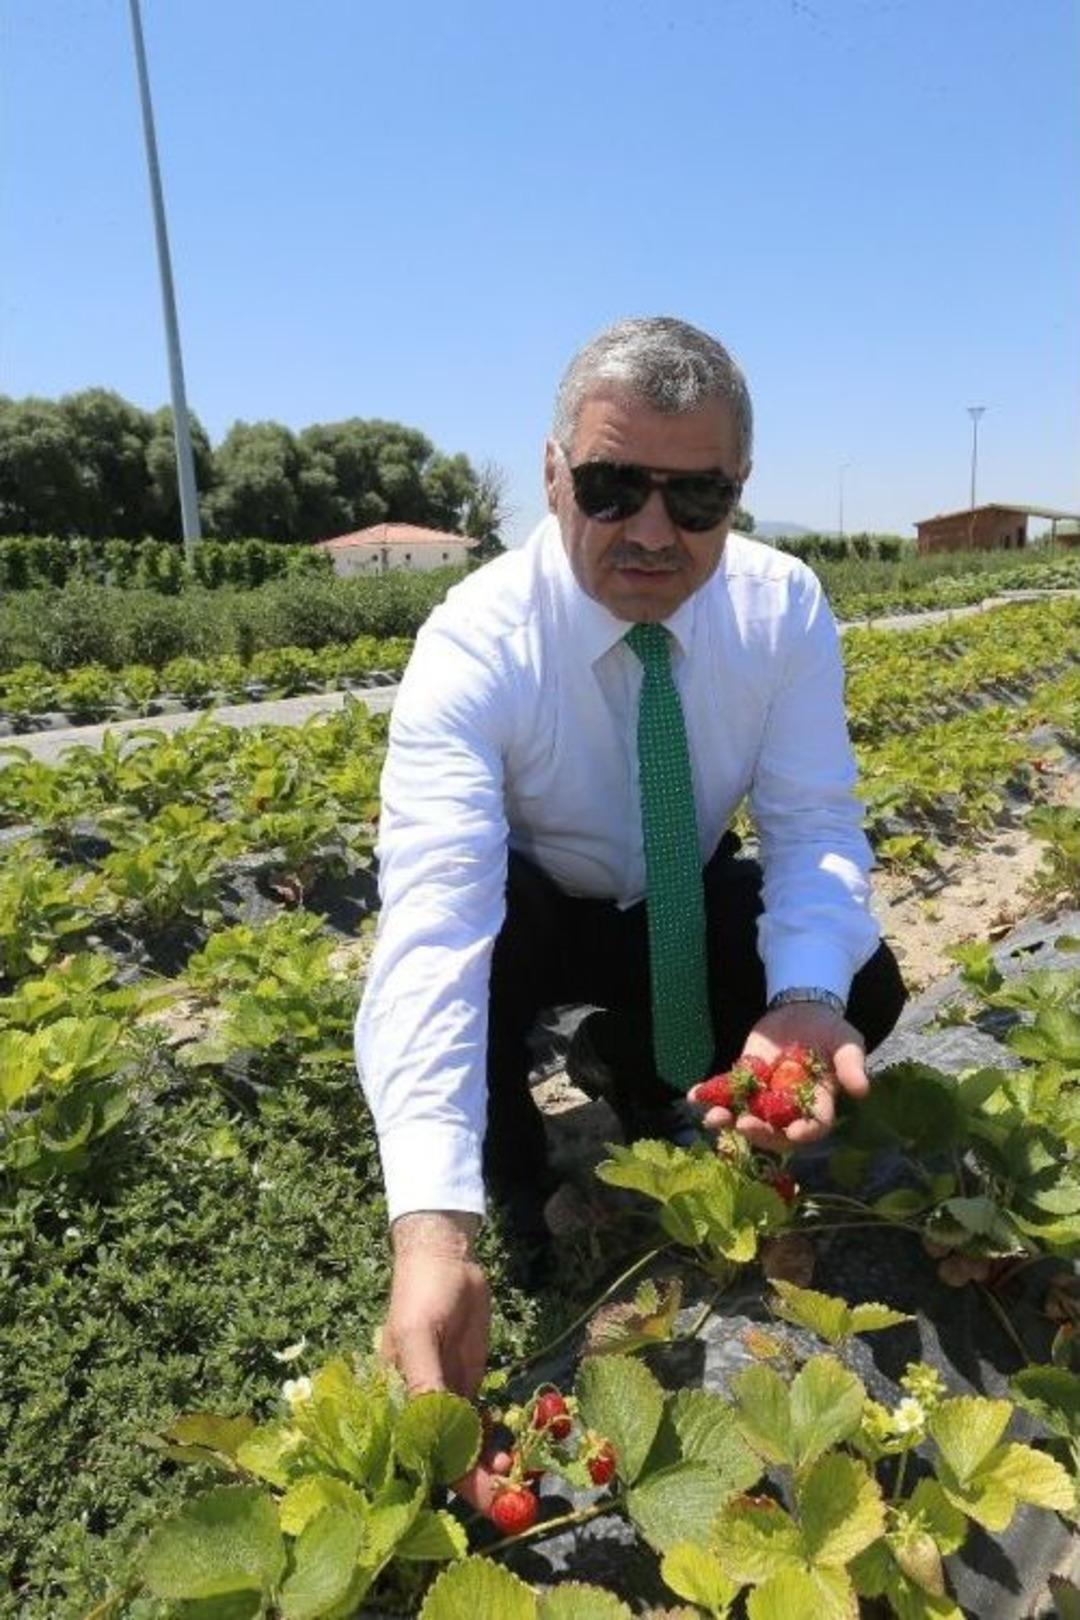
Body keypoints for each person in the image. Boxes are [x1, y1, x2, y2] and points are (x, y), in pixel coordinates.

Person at [355, 316, 906, 1428]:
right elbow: (436, 927)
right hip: (535, 902)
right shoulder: (474, 642)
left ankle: (635, 1062)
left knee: (861, 982)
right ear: (553, 474)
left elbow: (811, 825)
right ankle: (515, 1195)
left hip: (677, 886)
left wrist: (805, 998)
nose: (654, 531)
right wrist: (429, 1229)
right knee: (481, 970)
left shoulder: (781, 607)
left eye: (696, 496)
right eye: (613, 487)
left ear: (739, 489)